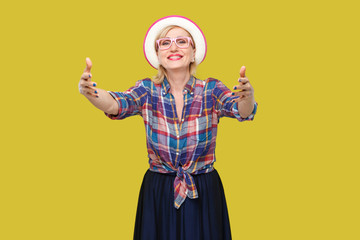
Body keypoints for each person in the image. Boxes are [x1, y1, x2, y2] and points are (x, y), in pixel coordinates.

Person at [78, 15, 257, 240]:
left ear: (193, 52)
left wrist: (247, 96)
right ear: (158, 55)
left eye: (181, 41)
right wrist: (90, 92)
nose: (174, 47)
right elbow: (115, 104)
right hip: (159, 190)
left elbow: (242, 110)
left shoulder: (211, 89)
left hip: (203, 189)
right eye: (165, 42)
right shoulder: (146, 90)